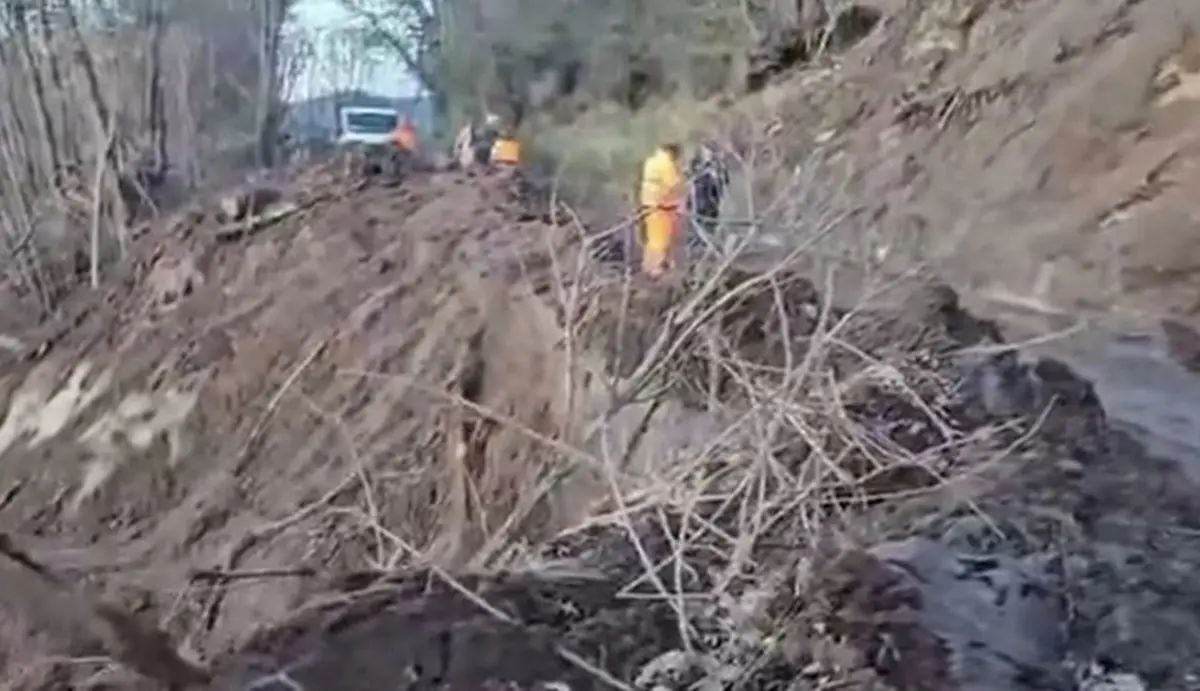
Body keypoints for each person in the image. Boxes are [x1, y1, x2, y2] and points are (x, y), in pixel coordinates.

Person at [638, 142, 684, 278]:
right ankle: (656, 268)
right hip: (662, 206)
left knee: (652, 237)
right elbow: (673, 183)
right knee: (661, 238)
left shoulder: (650, 161)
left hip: (649, 204)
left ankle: (648, 264)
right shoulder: (667, 164)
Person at [688, 140, 730, 249]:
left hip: (712, 201)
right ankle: (703, 246)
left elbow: (725, 180)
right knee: (699, 225)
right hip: (699, 200)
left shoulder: (718, 165)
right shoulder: (697, 163)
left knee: (710, 225)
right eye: (705, 151)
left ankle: (710, 248)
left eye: (709, 151)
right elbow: (691, 177)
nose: (707, 154)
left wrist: (718, 173)